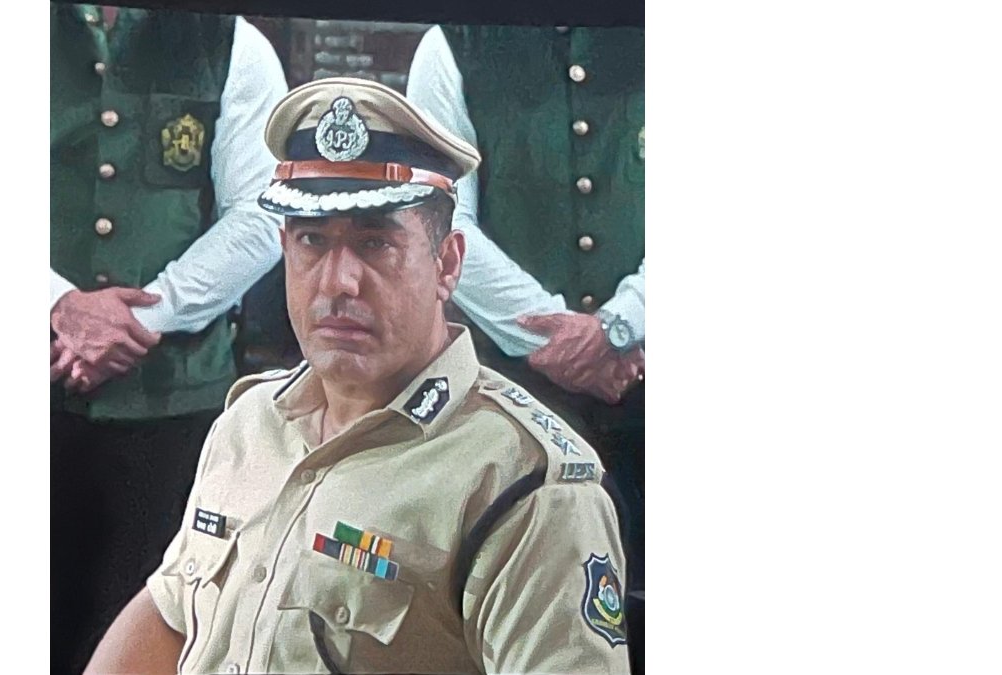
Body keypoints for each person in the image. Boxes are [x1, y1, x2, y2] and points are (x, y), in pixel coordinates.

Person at [86, 77, 632, 674]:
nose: (337, 281)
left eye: (375, 243)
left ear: (447, 263)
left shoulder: (524, 482)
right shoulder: (249, 422)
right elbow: (173, 613)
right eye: (312, 241)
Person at [48, 6, 287, 674]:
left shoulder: (233, 42)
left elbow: (263, 211)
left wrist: (147, 317)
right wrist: (56, 304)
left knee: (155, 634)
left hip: (175, 407)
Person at [406, 23, 647, 672]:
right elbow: (443, 216)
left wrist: (625, 323)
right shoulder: (453, 42)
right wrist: (558, 337)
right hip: (513, 397)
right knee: (527, 608)